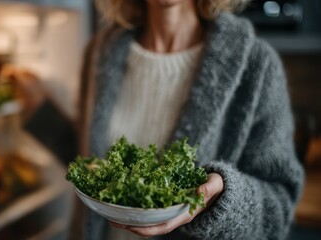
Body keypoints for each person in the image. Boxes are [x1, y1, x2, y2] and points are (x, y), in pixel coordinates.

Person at [71, 0, 305, 239]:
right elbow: (88, 161)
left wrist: (224, 198)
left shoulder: (257, 65)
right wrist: (42, 110)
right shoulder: (101, 52)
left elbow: (279, 209)